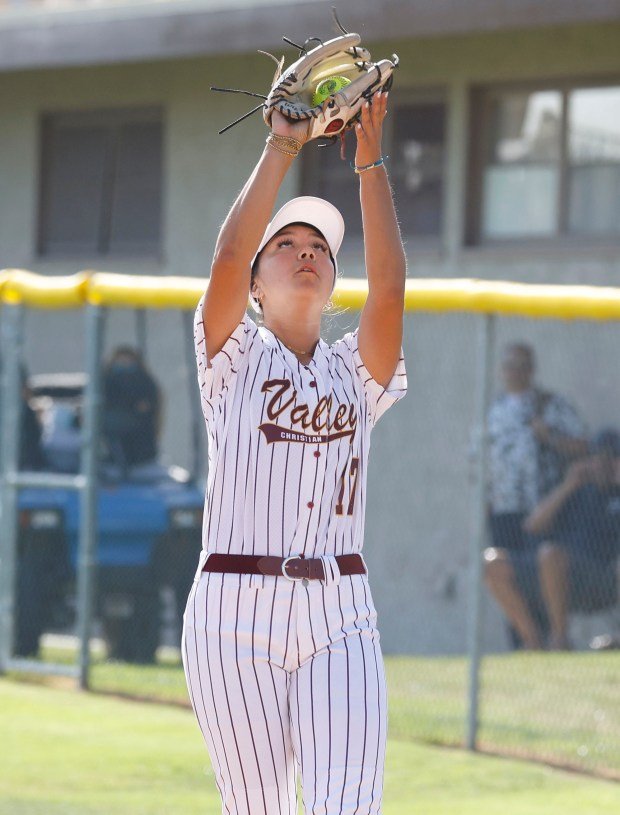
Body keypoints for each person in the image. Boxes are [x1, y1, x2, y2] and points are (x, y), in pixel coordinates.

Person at [182, 92, 407, 815]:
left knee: (349, 804)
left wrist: (370, 159)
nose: (306, 252)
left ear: (335, 280)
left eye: (319, 249)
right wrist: (281, 145)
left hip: (340, 605)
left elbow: (392, 292)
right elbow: (223, 256)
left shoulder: (356, 370)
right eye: (286, 246)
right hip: (231, 610)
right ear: (254, 285)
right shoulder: (232, 354)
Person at [484, 342, 587, 648]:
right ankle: (526, 643)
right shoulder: (495, 411)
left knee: (542, 573)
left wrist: (550, 436)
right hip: (505, 511)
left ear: (531, 369)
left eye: (521, 365)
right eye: (509, 365)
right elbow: (481, 460)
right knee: (504, 573)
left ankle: (555, 638)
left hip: (542, 509)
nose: (514, 372)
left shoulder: (550, 405)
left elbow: (584, 446)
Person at [486, 428, 620, 651]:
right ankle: (533, 641)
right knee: (493, 563)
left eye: (608, 460)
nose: (599, 465)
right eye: (595, 459)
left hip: (600, 576)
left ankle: (560, 640)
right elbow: (532, 526)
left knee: (551, 555)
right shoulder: (577, 490)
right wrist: (569, 485)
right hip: (552, 569)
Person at [102, 346, 161, 472]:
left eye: (127, 360)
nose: (124, 364)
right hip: (113, 429)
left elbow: (145, 407)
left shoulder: (143, 380)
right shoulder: (106, 379)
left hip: (139, 442)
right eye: (120, 360)